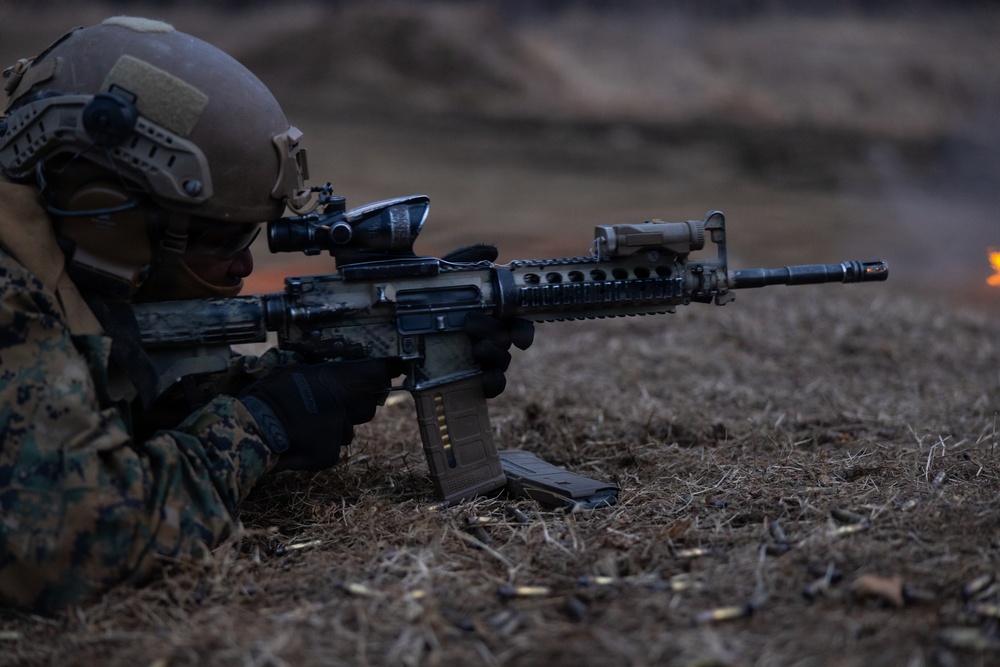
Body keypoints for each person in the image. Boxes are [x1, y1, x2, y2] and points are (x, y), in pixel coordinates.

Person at [0, 17, 528, 613]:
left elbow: (130, 414)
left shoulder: (59, 257)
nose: (243, 266)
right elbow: (81, 546)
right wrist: (263, 423)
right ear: (107, 214)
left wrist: (321, 368)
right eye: (222, 239)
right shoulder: (11, 293)